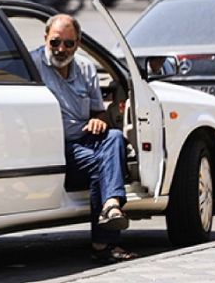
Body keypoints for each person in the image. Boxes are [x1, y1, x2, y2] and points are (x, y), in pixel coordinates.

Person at [30, 14, 137, 265]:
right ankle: (103, 243)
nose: (60, 49)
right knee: (104, 166)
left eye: (68, 44)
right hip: (56, 146)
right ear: (45, 38)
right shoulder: (32, 64)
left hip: (85, 141)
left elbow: (99, 111)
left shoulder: (86, 68)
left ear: (77, 43)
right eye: (55, 42)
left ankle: (111, 204)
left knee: (114, 136)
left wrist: (99, 119)